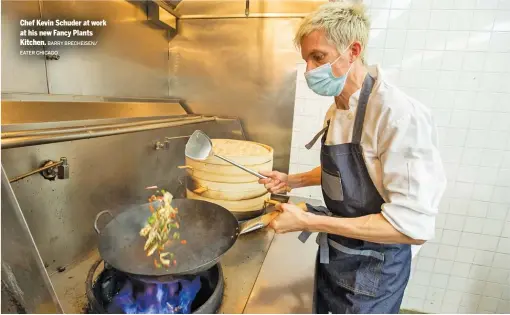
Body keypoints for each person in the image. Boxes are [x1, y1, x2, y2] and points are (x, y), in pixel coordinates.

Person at [258, 2, 446, 314]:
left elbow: (411, 228)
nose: (309, 71)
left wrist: (307, 220)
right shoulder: (339, 109)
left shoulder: (396, 115)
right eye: (306, 60)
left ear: (353, 50)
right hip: (342, 253)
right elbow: (345, 173)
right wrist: (291, 180)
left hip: (377, 269)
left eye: (318, 57)